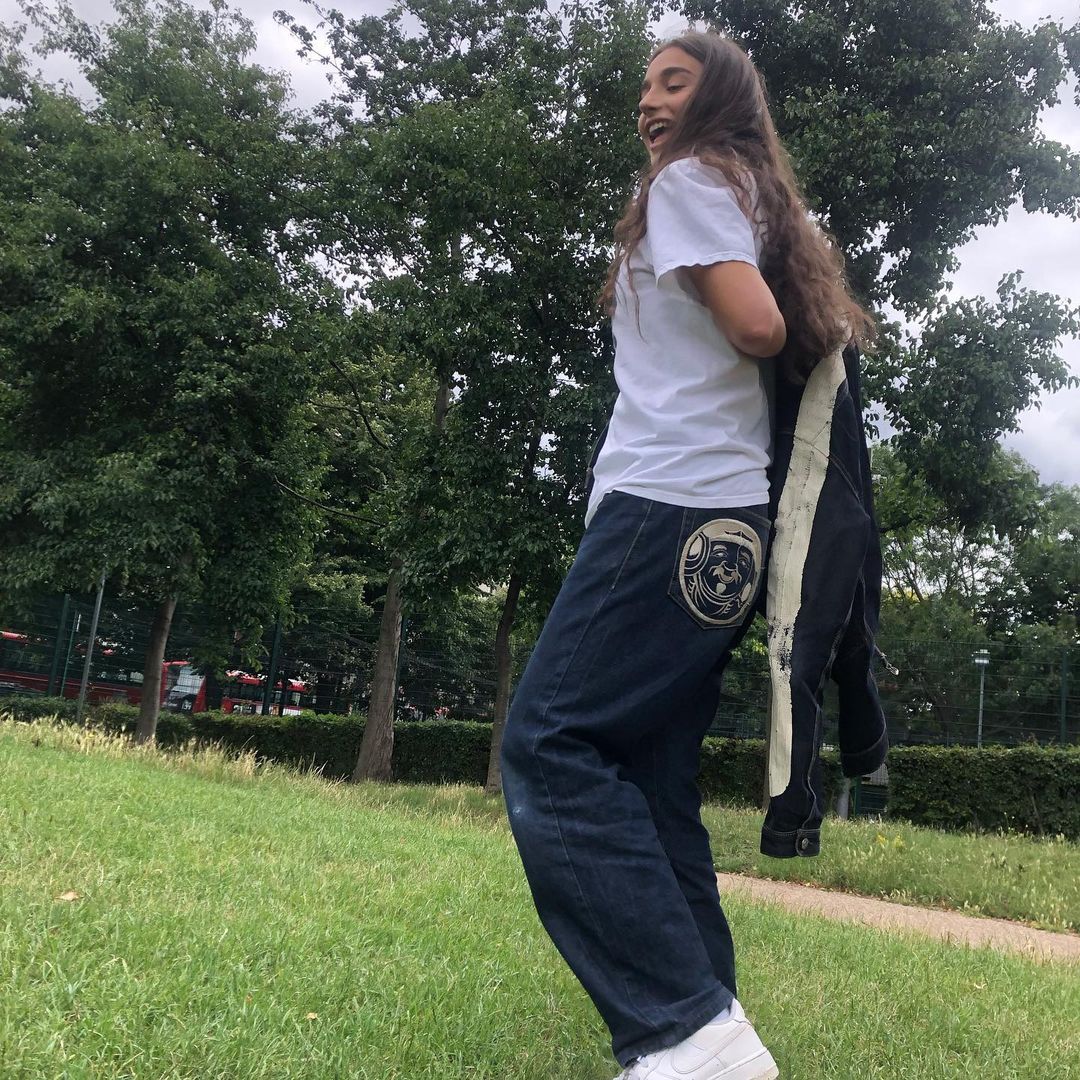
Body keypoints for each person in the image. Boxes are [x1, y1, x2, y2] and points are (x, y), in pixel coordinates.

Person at [500, 29, 877, 1080]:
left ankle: (684, 1033)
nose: (649, 101)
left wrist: (741, 300)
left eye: (675, 82)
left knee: (550, 745)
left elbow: (758, 327)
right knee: (652, 779)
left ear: (722, 99)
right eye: (645, 87)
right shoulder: (754, 198)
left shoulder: (688, 184)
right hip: (728, 529)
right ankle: (715, 1033)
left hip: (667, 506)